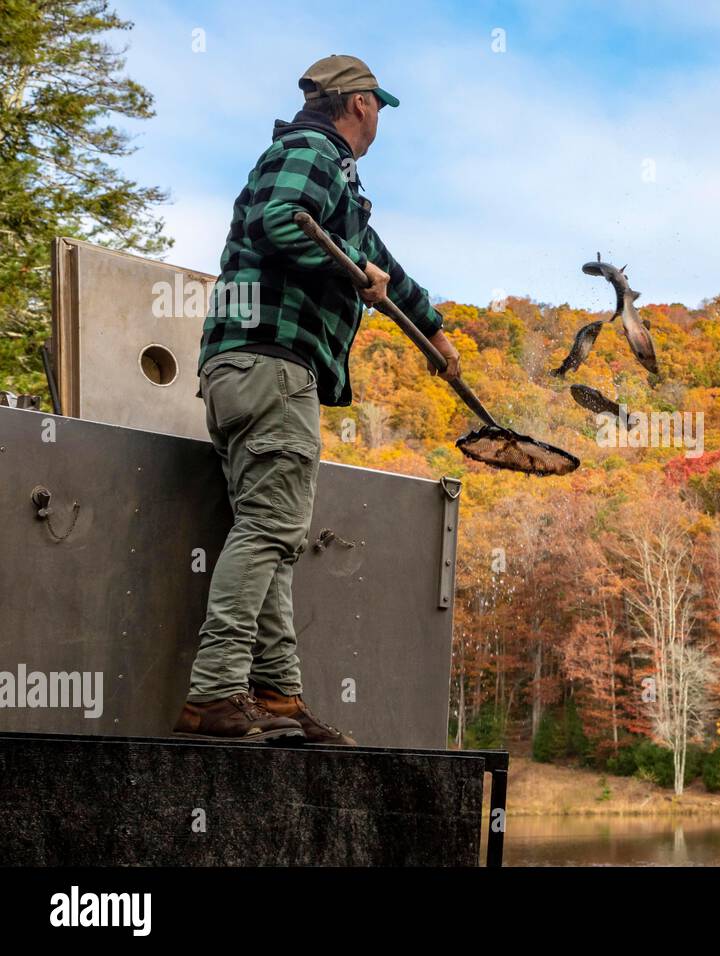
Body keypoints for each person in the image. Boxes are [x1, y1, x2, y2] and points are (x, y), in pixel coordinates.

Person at [173, 54, 460, 744]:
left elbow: (382, 266)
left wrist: (439, 334)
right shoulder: (310, 151)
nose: (381, 120)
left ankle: (278, 695)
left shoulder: (342, 187)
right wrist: (348, 267)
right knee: (272, 528)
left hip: (253, 370)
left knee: (275, 533)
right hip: (271, 363)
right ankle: (212, 694)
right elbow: (279, 220)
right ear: (359, 104)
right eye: (379, 107)